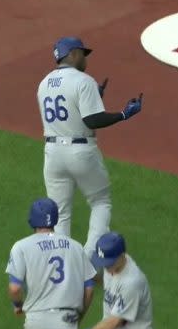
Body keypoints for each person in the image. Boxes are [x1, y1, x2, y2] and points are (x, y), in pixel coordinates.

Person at [36, 36, 144, 261]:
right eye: (82, 54)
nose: (85, 59)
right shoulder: (83, 81)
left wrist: (95, 98)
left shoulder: (43, 83)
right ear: (73, 54)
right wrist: (123, 114)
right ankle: (88, 258)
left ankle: (63, 262)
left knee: (60, 212)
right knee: (100, 201)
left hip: (52, 154)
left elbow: (68, 111)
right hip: (80, 152)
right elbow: (93, 120)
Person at [6, 198, 98, 329]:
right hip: (66, 321)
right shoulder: (76, 247)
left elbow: (15, 288)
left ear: (32, 220)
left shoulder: (21, 247)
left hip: (35, 322)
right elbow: (89, 288)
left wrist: (18, 305)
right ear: (55, 219)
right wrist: (79, 317)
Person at [64, 232, 155, 329]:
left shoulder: (132, 282)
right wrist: (81, 271)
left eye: (108, 263)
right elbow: (105, 279)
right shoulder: (112, 266)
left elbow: (114, 322)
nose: (105, 267)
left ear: (121, 256)